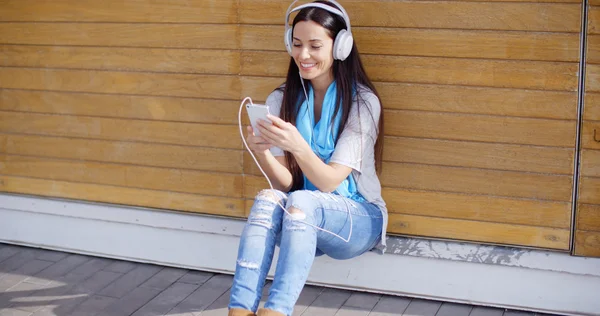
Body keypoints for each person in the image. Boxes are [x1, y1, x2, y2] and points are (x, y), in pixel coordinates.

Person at [228, 1, 387, 315]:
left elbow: (328, 182)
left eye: (315, 46)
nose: (303, 55)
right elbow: (286, 183)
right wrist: (263, 152)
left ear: (340, 46)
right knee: (267, 199)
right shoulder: (281, 99)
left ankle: (276, 312)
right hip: (304, 214)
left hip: (358, 218)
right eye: (297, 44)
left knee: (302, 202)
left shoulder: (363, 104)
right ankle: (240, 311)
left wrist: (298, 145)